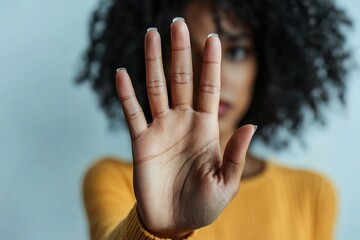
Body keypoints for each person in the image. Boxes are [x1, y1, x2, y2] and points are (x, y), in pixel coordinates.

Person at [76, 0, 352, 239]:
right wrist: (160, 230)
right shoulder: (116, 179)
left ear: (266, 66)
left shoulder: (312, 193)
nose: (215, 76)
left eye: (235, 51)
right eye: (185, 53)